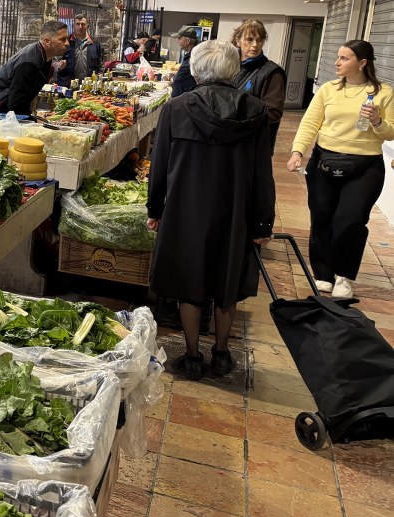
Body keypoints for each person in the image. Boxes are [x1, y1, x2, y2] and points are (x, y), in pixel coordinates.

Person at [147, 40, 275, 380]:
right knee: (227, 280)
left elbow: (160, 166)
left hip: (185, 208)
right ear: (234, 69)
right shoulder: (257, 111)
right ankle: (221, 353)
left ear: (195, 70)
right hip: (235, 210)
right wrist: (263, 222)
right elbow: (263, 171)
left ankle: (191, 356)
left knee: (189, 279)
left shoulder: (176, 108)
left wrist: (155, 208)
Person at [287, 40, 394, 299]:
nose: (337, 63)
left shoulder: (383, 92)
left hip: (365, 166)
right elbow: (310, 123)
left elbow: (390, 133)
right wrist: (297, 151)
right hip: (324, 162)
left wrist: (377, 121)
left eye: (345, 58)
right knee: (321, 218)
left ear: (363, 63)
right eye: (338, 57)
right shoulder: (329, 89)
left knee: (350, 221)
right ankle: (323, 275)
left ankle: (344, 275)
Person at [0, 20, 70, 116]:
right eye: (62, 39)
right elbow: (16, 104)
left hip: (2, 109)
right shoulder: (29, 62)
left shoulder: (44, 58)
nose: (67, 43)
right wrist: (33, 120)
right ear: (47, 41)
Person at [231, 19, 286, 153]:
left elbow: (273, 113)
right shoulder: (229, 66)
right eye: (249, 40)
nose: (255, 45)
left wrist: (236, 118)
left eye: (260, 40)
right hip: (230, 140)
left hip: (254, 145)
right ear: (238, 41)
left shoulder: (272, 72)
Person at [57, 12, 102, 86]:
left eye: (83, 24)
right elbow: (56, 63)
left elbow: (101, 64)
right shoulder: (65, 42)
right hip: (68, 85)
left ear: (87, 26)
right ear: (73, 26)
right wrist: (59, 67)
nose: (80, 27)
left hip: (89, 86)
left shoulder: (95, 43)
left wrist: (100, 74)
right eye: (77, 24)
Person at [171, 26, 199, 97]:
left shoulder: (194, 56)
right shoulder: (193, 53)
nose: (177, 41)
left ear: (187, 41)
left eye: (179, 38)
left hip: (186, 98)